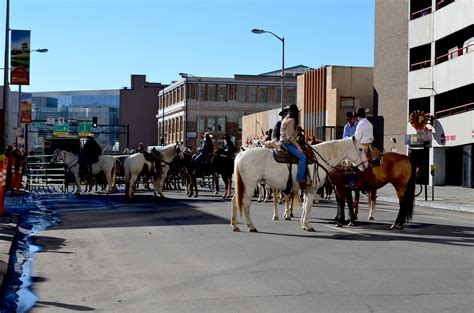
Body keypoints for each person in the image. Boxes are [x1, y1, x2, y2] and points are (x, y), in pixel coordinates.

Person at [280, 104, 311, 188]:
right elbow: (289, 137)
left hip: (284, 142)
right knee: (302, 157)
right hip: (287, 143)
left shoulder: (285, 119)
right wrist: (298, 146)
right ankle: (300, 178)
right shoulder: (291, 120)